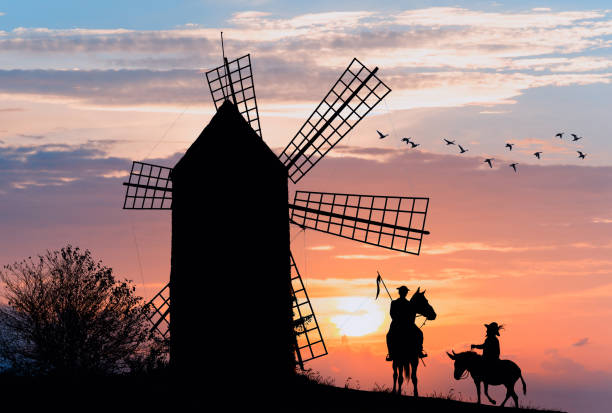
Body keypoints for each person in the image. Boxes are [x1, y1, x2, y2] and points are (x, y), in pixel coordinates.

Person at [385, 286, 426, 361]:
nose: (404, 293)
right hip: (397, 324)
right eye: (403, 292)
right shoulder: (394, 303)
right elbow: (392, 314)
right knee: (389, 336)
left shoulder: (409, 304)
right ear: (400, 293)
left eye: (405, 292)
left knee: (419, 333)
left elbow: (412, 314)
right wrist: (399, 318)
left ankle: (419, 350)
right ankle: (391, 353)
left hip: (408, 324)